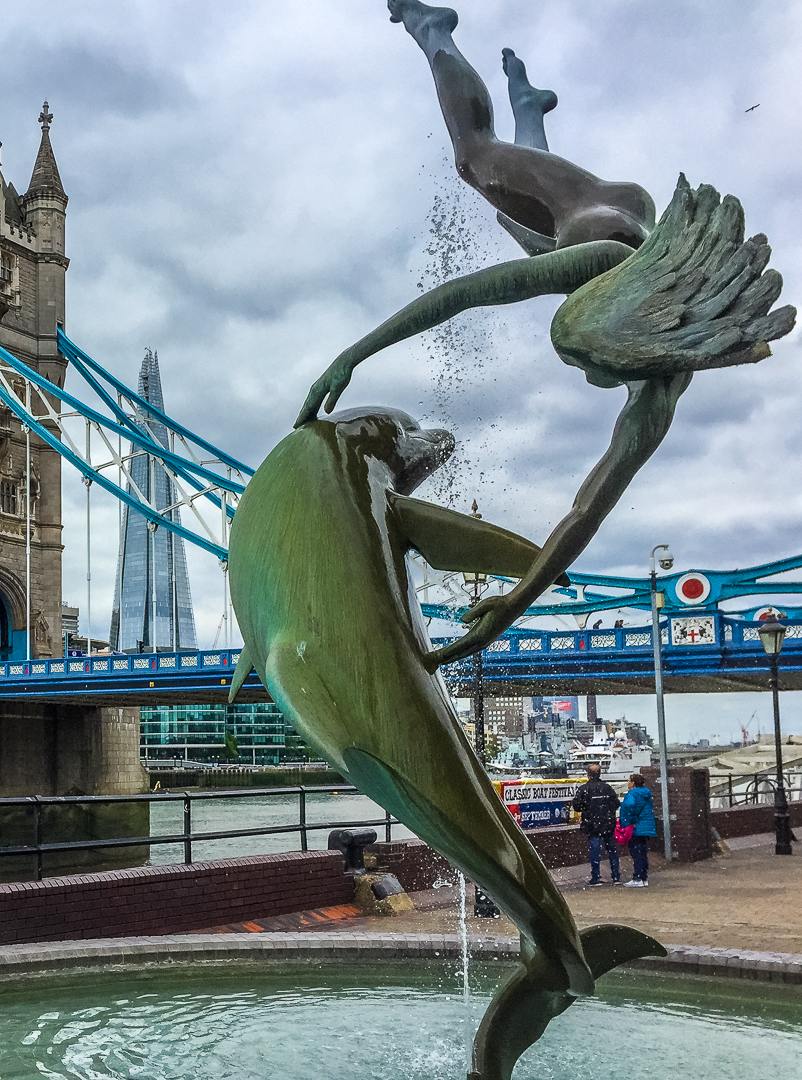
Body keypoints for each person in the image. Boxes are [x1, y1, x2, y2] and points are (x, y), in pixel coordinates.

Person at [297, 1, 795, 673]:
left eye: (595, 368)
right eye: (587, 364)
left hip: (613, 218)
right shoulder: (601, 262)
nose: (592, 379)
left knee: (521, 221)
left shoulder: (664, 381)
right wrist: (352, 355)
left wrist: (514, 604)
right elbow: (467, 292)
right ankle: (431, 27)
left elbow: (586, 509)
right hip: (593, 209)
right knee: (475, 159)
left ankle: (529, 106)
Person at [572, 763, 620, 885]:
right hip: (607, 823)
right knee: (612, 850)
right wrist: (606, 812)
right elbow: (616, 803)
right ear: (599, 774)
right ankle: (616, 876)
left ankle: (596, 876)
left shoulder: (584, 789)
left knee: (594, 850)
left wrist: (588, 810)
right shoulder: (607, 788)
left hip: (592, 824)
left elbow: (577, 806)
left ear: (588, 774)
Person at [618, 773, 657, 887]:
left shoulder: (632, 794)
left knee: (636, 853)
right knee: (643, 852)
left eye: (629, 781)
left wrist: (630, 820)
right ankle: (644, 878)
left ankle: (637, 878)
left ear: (633, 783)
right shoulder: (646, 793)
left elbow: (629, 807)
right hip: (646, 826)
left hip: (636, 827)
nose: (628, 783)